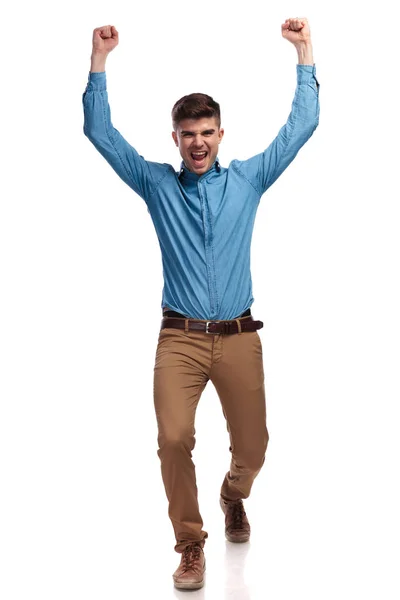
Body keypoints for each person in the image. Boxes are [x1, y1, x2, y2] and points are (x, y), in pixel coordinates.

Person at [82, 18, 320, 590]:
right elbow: (100, 132)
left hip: (240, 337)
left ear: (220, 134)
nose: (197, 143)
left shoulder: (249, 179)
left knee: (255, 448)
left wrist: (304, 52)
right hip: (180, 339)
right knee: (172, 438)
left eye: (207, 132)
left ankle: (232, 495)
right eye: (188, 134)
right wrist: (99, 62)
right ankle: (190, 544)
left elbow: (302, 124)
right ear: (175, 139)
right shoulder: (157, 185)